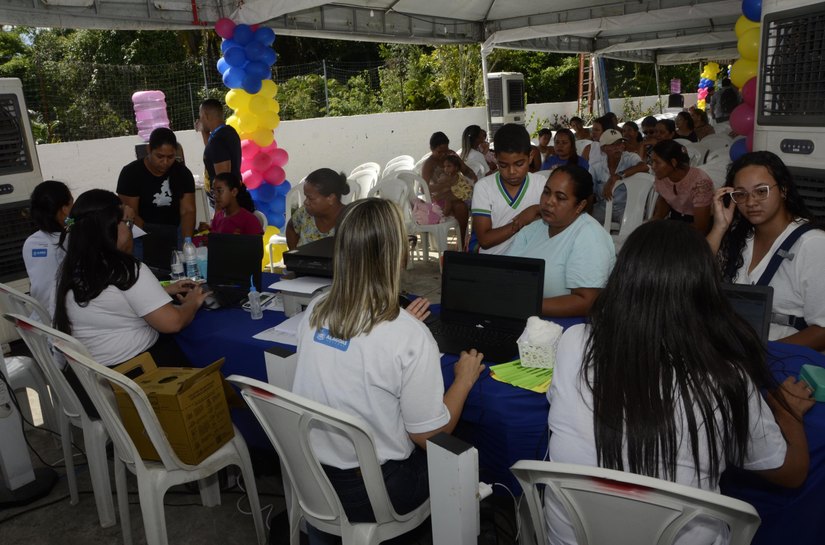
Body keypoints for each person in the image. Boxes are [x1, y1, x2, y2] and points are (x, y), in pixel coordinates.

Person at [545, 220, 813, 545]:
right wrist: (790, 413)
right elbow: (791, 473)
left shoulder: (575, 342)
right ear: (707, 292)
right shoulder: (725, 376)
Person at [291, 198, 484, 544]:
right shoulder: (408, 336)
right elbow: (429, 438)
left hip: (312, 476)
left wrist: (397, 328)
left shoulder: (317, 309)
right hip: (374, 492)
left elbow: (354, 345)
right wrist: (464, 379)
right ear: (399, 253)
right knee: (467, 453)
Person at [53, 190, 208, 415]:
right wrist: (192, 302)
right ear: (109, 228)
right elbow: (172, 323)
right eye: (127, 222)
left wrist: (163, 290)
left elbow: (111, 301)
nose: (131, 230)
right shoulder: (126, 269)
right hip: (130, 382)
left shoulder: (71, 269)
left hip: (89, 386)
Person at [708, 151, 825, 350]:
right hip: (736, 354)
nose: (751, 202)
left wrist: (761, 357)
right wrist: (719, 228)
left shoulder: (812, 244)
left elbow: (822, 330)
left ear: (783, 190)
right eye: (741, 194)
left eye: (761, 191)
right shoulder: (740, 238)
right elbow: (693, 275)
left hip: (782, 363)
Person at [506, 165, 615, 317]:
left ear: (580, 205)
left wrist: (524, 305)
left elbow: (587, 301)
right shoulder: (532, 230)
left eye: (560, 197)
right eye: (546, 192)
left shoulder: (590, 236)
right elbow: (507, 274)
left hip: (571, 326)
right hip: (528, 318)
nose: (549, 202)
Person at [117, 128, 196, 256]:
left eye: (170, 157)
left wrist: (186, 243)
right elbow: (131, 214)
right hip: (141, 236)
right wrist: (155, 238)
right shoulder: (130, 173)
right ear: (149, 150)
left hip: (174, 232)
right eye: (160, 156)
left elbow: (188, 211)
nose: (165, 162)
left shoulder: (183, 173)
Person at [471, 123, 544, 254]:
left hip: (531, 261)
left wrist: (537, 209)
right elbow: (485, 240)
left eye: (519, 164)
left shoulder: (542, 184)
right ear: (496, 159)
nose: (511, 171)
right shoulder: (483, 188)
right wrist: (521, 221)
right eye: (503, 165)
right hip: (495, 263)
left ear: (531, 157)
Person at [23, 180, 73, 316]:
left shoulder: (30, 242)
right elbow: (72, 223)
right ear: (64, 209)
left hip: (39, 315)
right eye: (71, 204)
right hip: (61, 317)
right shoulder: (70, 240)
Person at [649, 140, 713, 232]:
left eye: (657, 162)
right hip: (676, 218)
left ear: (673, 162)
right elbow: (665, 197)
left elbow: (701, 227)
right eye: (652, 162)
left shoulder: (701, 183)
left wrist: (673, 233)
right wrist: (657, 219)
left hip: (696, 224)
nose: (653, 166)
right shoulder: (662, 176)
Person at [590, 129, 648, 225]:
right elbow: (590, 191)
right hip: (603, 207)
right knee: (586, 223)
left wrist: (617, 176)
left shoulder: (630, 158)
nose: (618, 147)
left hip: (626, 207)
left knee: (631, 229)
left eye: (620, 143)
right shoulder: (596, 167)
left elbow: (644, 166)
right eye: (613, 144)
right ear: (603, 148)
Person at [285, 168, 349, 249]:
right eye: (306, 196)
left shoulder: (350, 221)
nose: (306, 202)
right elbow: (291, 227)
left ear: (331, 198)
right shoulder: (304, 212)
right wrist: (294, 254)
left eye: (310, 198)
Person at [199, 98, 242, 208]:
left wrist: (219, 211)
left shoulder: (217, 139)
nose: (200, 120)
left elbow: (223, 179)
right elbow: (212, 153)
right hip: (233, 198)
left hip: (226, 203)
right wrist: (204, 132)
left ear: (206, 115)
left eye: (201, 117)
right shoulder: (228, 132)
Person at [198, 172, 262, 235]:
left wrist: (237, 241)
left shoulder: (249, 221)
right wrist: (208, 231)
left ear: (234, 192)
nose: (215, 195)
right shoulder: (218, 216)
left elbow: (256, 245)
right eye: (213, 192)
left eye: (219, 191)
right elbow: (216, 238)